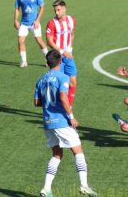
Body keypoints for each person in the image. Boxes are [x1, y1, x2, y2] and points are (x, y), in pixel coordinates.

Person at [34, 50, 98, 197]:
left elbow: (36, 102)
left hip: (48, 122)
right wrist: (71, 116)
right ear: (60, 62)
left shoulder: (41, 79)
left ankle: (46, 188)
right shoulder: (63, 77)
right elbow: (63, 96)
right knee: (78, 151)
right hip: (61, 121)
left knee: (57, 155)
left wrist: (49, 102)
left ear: (47, 63)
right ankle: (84, 186)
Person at [46, 0, 77, 106]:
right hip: (57, 58)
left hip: (68, 57)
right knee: (58, 85)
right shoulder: (52, 23)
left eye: (58, 10)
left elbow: (72, 34)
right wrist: (63, 52)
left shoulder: (72, 20)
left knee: (72, 83)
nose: (56, 12)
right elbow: (49, 41)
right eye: (55, 10)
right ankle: (53, 107)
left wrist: (70, 49)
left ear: (64, 9)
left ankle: (69, 107)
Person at [14, 0, 48, 67]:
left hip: (34, 23)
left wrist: (37, 20)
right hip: (24, 24)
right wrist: (15, 20)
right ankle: (24, 61)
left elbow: (42, 7)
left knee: (39, 41)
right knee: (20, 41)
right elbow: (17, 9)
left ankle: (48, 59)